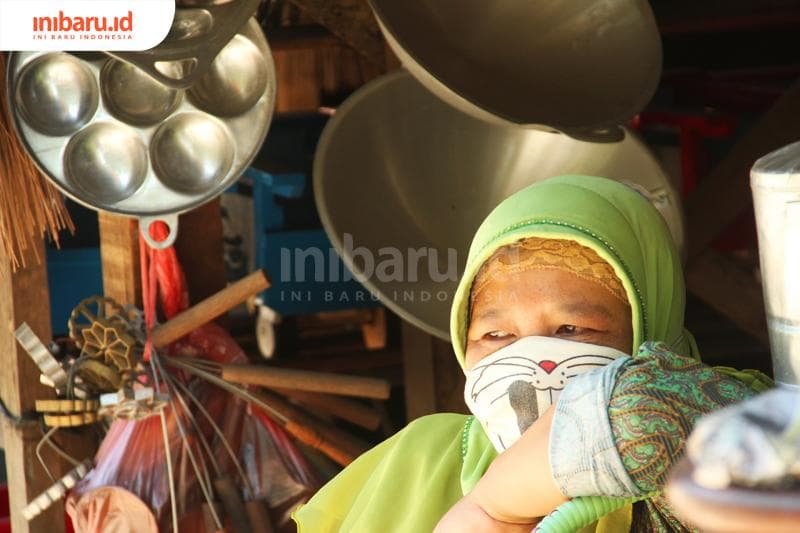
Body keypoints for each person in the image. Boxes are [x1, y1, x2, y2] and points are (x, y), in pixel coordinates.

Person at [292, 175, 771, 532]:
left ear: (653, 322)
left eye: (571, 328)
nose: (533, 358)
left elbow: (642, 413)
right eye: (495, 336)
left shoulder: (721, 425)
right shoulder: (417, 459)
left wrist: (493, 508)